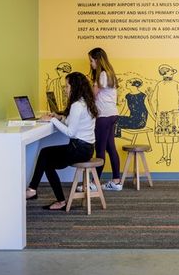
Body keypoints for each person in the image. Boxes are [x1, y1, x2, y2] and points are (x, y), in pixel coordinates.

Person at [25, 72, 97, 210]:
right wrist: (59, 117)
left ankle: (34, 190)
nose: (65, 89)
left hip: (79, 149)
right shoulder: (85, 102)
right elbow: (73, 122)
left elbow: (71, 132)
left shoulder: (77, 105)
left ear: (74, 87)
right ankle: (36, 191)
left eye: (67, 86)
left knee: (45, 156)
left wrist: (51, 120)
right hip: (86, 148)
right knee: (46, 159)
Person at [88, 47, 123, 191]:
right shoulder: (110, 74)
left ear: (97, 60)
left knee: (100, 150)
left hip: (103, 116)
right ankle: (116, 181)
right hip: (112, 114)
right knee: (110, 148)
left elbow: (93, 95)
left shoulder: (102, 75)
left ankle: (94, 184)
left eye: (91, 60)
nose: (90, 64)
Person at [150, 64, 179, 166]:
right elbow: (152, 99)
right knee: (163, 137)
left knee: (170, 137)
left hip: (173, 114)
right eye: (170, 71)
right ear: (164, 73)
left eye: (172, 71)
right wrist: (155, 112)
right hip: (161, 114)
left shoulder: (176, 84)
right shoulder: (159, 84)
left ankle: (169, 157)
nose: (172, 72)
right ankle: (164, 156)